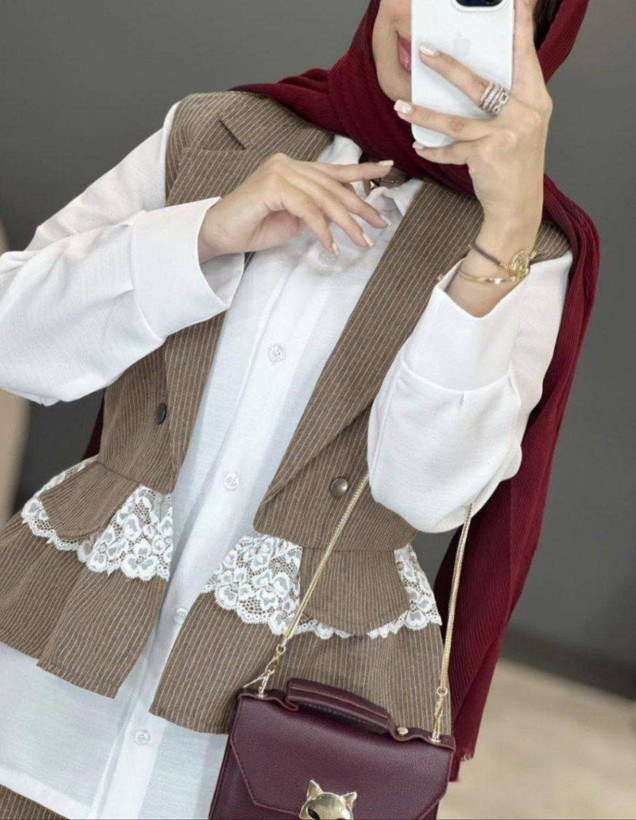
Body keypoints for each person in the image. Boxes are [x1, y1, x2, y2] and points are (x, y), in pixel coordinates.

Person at [0, 0, 597, 818]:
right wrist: (204, 234)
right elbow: (14, 340)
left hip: (288, 719)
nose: (424, 19)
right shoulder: (216, 131)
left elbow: (428, 492)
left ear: (539, 38)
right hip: (50, 677)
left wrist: (501, 241)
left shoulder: (531, 248)